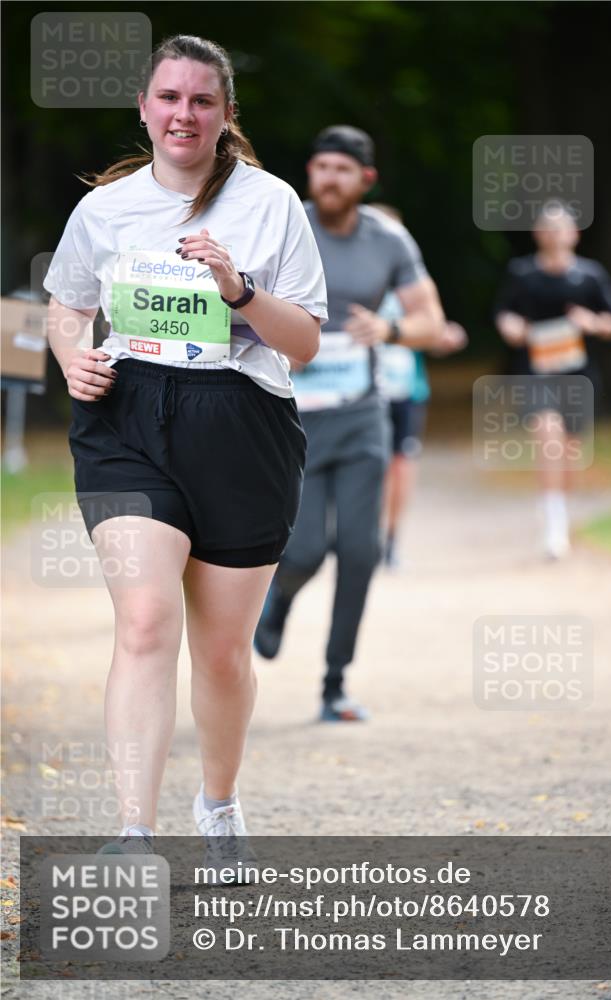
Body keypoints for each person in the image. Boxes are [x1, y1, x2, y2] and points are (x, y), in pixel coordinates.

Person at [43, 34, 327, 854]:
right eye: (169, 97)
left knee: (223, 654)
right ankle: (134, 829)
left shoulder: (270, 204)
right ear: (144, 106)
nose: (183, 114)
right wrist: (73, 360)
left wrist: (236, 286)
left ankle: (220, 803)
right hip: (127, 419)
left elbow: (303, 341)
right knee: (142, 621)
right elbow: (64, 306)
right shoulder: (104, 209)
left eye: (202, 100)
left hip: (241, 422)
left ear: (225, 115)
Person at [253, 125, 448, 722]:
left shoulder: (389, 239)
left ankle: (335, 683)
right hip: (293, 416)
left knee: (362, 551)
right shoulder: (285, 225)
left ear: (365, 179)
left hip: (363, 413)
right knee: (307, 549)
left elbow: (431, 321)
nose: (328, 178)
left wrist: (388, 331)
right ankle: (278, 601)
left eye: (342, 169)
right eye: (320, 167)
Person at [493, 200, 611, 558]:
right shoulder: (522, 273)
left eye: (560, 227)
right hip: (536, 371)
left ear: (575, 233)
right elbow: (504, 313)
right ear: (537, 234)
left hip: (577, 373)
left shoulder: (589, 275)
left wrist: (593, 323)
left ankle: (559, 509)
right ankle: (554, 524)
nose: (553, 233)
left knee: (569, 450)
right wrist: (511, 327)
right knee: (548, 435)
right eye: (546, 227)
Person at [372, 205, 468, 569]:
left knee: (401, 465)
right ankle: (367, 537)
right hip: (363, 391)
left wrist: (446, 336)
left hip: (406, 389)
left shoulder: (412, 284)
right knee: (369, 467)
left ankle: (392, 540)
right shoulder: (351, 277)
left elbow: (435, 328)